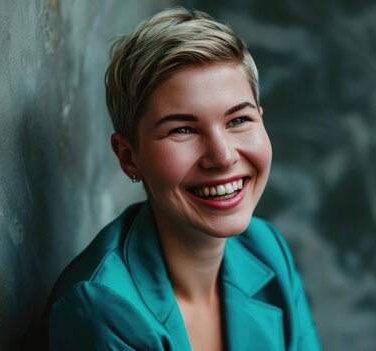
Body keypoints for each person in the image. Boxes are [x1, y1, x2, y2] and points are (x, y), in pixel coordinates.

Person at [44, 7, 322, 351]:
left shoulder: (267, 249)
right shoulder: (100, 310)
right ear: (129, 157)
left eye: (238, 120)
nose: (223, 156)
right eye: (183, 129)